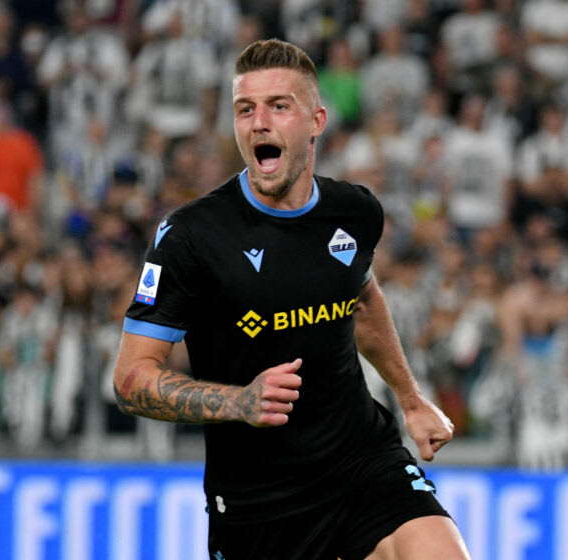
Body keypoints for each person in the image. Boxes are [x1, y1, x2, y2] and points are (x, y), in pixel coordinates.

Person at [113, 39, 471, 560]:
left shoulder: (356, 212)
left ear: (316, 121)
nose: (259, 122)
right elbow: (129, 381)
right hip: (260, 504)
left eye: (279, 106)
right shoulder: (191, 237)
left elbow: (362, 300)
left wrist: (411, 401)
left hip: (362, 463)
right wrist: (239, 402)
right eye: (244, 109)